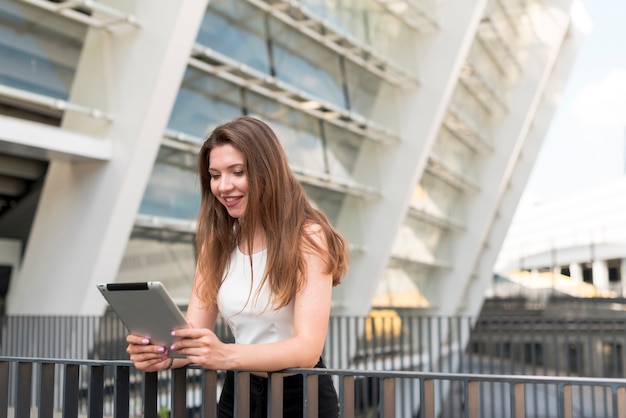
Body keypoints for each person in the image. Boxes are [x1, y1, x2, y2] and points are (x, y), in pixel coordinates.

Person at [126, 115, 349, 417]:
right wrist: (161, 354)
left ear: (266, 172)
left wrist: (226, 354)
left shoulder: (307, 236)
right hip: (237, 393)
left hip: (300, 396)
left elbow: (307, 349)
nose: (223, 186)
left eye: (237, 172)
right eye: (215, 175)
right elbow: (192, 334)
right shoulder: (216, 243)